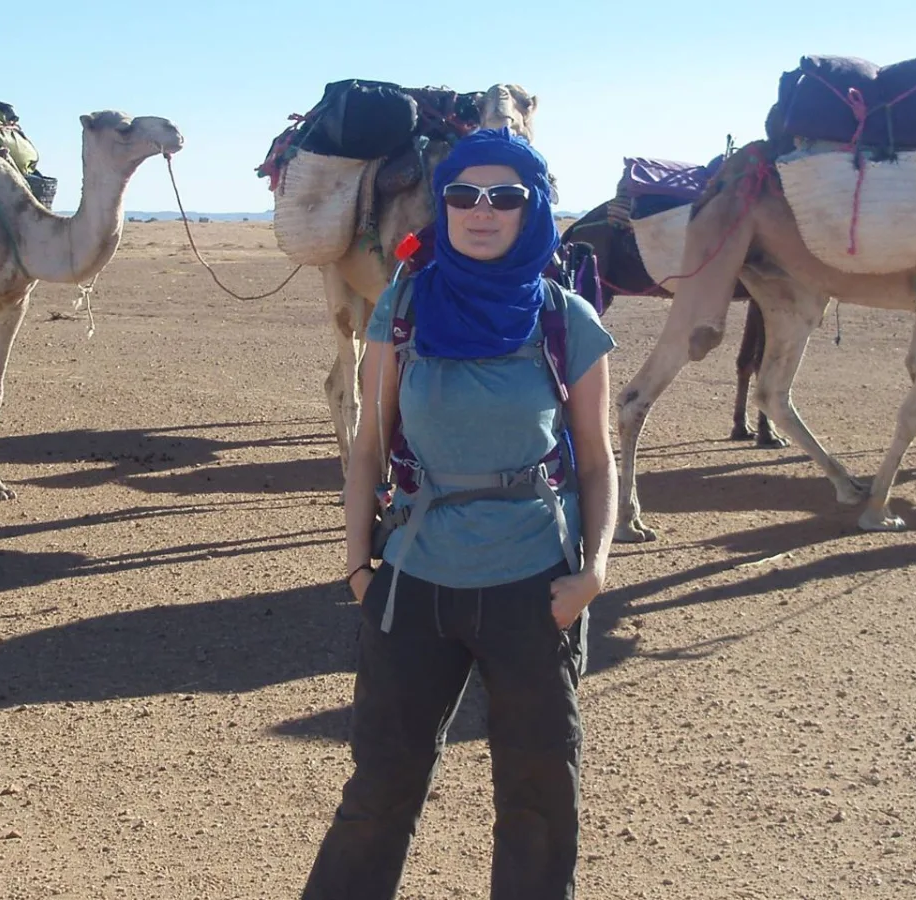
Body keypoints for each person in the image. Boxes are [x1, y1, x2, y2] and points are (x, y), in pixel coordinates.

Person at [301, 127, 618, 900]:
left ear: (532, 207)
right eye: (462, 196)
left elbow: (599, 458)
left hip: (532, 586)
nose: (482, 211)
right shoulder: (405, 304)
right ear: (442, 207)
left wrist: (594, 574)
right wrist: (356, 571)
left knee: (539, 797)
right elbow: (369, 447)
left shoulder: (564, 319)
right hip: (413, 579)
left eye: (504, 197)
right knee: (380, 791)